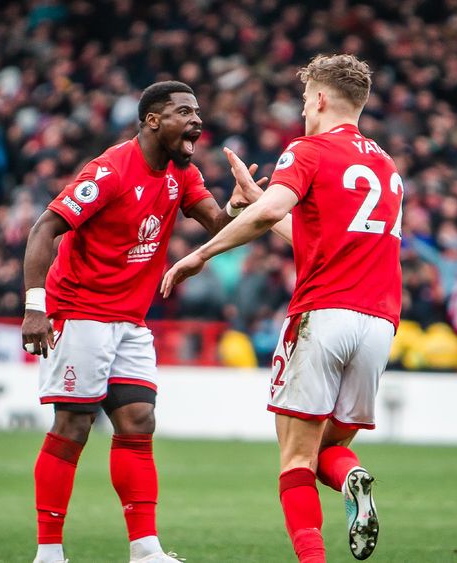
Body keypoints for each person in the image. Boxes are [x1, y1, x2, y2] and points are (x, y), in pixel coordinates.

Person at [162, 54, 402, 562]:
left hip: (322, 314)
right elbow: (314, 238)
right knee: (327, 452)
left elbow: (277, 208)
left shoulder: (308, 150)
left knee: (294, 458)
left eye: (303, 100)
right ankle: (352, 476)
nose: (302, 111)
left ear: (318, 99)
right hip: (379, 323)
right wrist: (258, 202)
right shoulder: (385, 164)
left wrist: (199, 254)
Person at [20, 80, 263, 563]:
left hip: (130, 319)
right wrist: (34, 306)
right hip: (81, 311)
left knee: (139, 420)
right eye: (184, 111)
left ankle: (145, 550)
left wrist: (238, 204)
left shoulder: (182, 172)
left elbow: (216, 226)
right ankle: (48, 554)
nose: (196, 119)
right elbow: (44, 227)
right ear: (153, 120)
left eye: (197, 111)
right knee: (73, 425)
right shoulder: (111, 169)